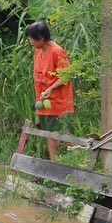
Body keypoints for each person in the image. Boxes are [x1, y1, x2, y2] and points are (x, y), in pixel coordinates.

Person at [26, 20, 75, 160]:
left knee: (61, 133)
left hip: (58, 100)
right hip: (43, 100)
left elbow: (66, 75)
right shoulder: (38, 51)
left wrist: (51, 88)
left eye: (32, 38)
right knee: (48, 133)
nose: (30, 41)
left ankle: (76, 160)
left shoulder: (57, 51)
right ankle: (54, 163)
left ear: (41, 38)